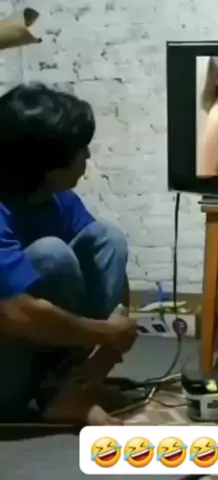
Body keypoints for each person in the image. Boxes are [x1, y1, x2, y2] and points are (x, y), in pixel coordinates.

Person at [0, 83, 137, 426]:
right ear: (48, 166)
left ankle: (67, 392)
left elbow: (112, 276)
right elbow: (16, 313)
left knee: (108, 239)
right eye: (80, 149)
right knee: (52, 254)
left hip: (43, 357)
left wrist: (108, 350)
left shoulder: (60, 200)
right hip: (6, 375)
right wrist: (106, 334)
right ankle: (57, 393)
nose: (88, 156)